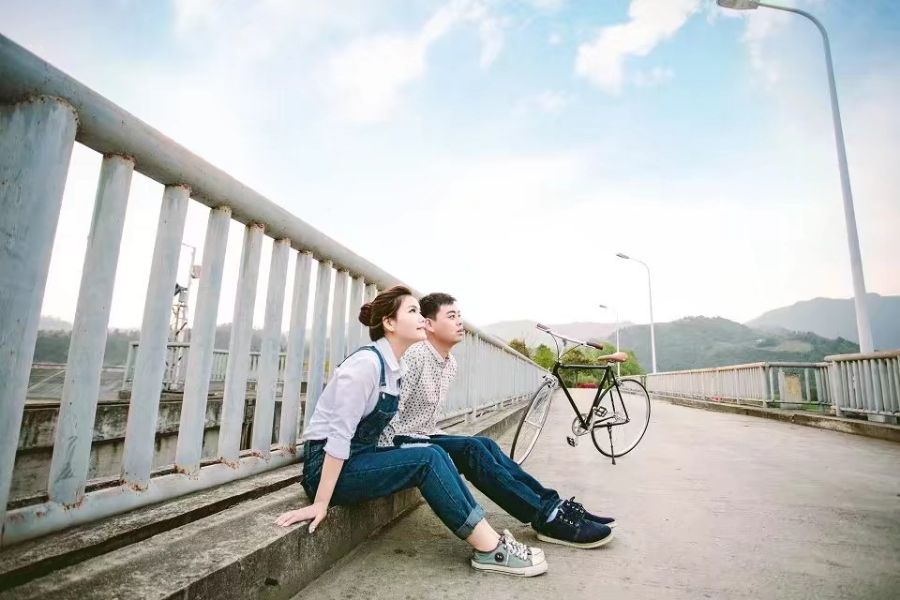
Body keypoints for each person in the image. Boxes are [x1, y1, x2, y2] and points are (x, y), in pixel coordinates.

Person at [275, 285, 547, 576]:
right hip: (327, 470)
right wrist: (321, 502)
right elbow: (338, 437)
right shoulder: (365, 365)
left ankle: (492, 539)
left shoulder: (393, 367)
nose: (421, 319)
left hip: (360, 458)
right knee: (427, 460)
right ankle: (491, 549)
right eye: (413, 311)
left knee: (434, 452)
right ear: (389, 323)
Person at [379, 292, 616, 549]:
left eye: (459, 316)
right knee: (472, 449)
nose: (459, 322)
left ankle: (552, 504)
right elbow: (388, 416)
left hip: (424, 434)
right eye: (451, 316)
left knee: (486, 444)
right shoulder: (415, 356)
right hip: (396, 442)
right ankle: (545, 517)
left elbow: (425, 421)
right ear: (429, 324)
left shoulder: (450, 363)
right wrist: (398, 452)